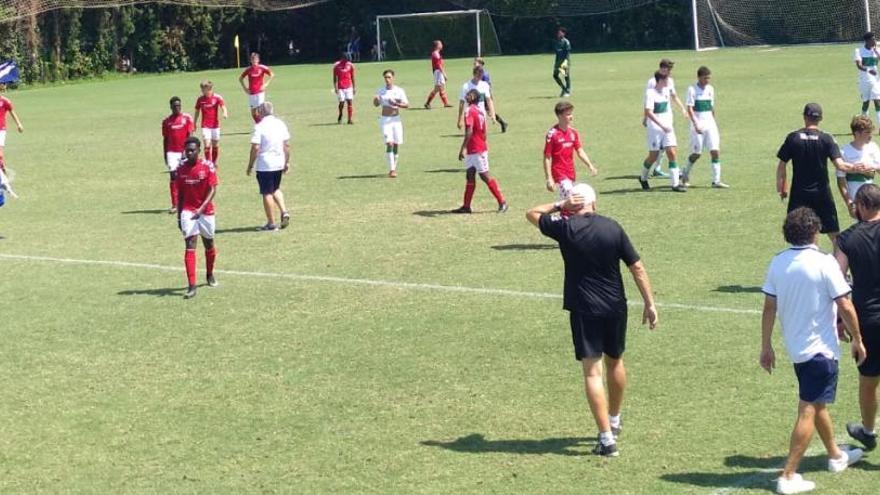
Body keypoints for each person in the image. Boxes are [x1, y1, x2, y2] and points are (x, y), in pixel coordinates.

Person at [526, 183, 658, 457]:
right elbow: (637, 267)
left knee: (592, 372)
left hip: (585, 308)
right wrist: (649, 303)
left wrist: (560, 206)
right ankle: (615, 419)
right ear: (595, 204)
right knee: (616, 362)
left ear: (575, 205)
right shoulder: (613, 227)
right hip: (615, 306)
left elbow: (532, 213)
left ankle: (606, 439)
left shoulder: (565, 228)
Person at [760, 207, 866, 494]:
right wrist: (857, 338)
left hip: (797, 349)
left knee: (817, 403)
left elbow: (770, 306)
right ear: (815, 232)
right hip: (821, 350)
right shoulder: (824, 262)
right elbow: (845, 304)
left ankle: (835, 455)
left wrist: (766, 346)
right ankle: (788, 474)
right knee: (808, 408)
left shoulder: (778, 262)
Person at [776, 103, 867, 245]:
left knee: (798, 234)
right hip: (822, 194)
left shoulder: (793, 138)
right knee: (835, 236)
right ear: (820, 119)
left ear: (805, 117)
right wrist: (856, 168)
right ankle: (842, 264)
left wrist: (782, 188)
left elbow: (782, 166)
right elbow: (840, 165)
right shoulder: (827, 138)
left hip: (799, 194)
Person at [835, 183, 880, 453]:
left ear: (862, 206)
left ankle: (869, 431)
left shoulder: (847, 238)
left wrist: (842, 320)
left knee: (869, 379)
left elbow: (837, 281)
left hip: (867, 319)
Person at [451, 89, 507, 214]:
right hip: (476, 147)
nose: (467, 95)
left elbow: (469, 131)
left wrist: (463, 148)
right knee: (470, 175)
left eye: (470, 94)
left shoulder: (469, 110)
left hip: (476, 148)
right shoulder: (479, 110)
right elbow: (484, 132)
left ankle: (502, 202)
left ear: (474, 97)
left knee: (484, 176)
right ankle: (466, 206)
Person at [176, 137, 218, 300]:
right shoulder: (181, 168)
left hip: (205, 211)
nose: (189, 153)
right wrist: (180, 217)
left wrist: (201, 208)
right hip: (188, 211)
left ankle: (209, 274)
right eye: (187, 150)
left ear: (199, 150)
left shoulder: (207, 166)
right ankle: (192, 285)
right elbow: (180, 194)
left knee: (209, 244)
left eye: (192, 150)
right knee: (190, 244)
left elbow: (213, 189)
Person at [246, 102, 291, 231]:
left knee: (267, 192)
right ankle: (284, 211)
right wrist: (287, 161)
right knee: (276, 188)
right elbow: (286, 145)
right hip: (278, 161)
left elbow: (255, 147)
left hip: (265, 164)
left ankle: (271, 223)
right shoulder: (280, 124)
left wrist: (250, 165)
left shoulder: (259, 126)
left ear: (260, 112)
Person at [683, 66, 728, 188]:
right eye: (705, 78)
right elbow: (690, 108)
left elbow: (711, 107)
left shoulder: (710, 89)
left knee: (715, 151)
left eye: (709, 78)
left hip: (710, 124)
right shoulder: (692, 89)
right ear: (699, 77)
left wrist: (713, 121)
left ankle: (716, 181)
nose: (707, 80)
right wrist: (695, 124)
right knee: (697, 153)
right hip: (698, 125)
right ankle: (684, 173)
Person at [543, 101, 598, 201]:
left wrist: (590, 165)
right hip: (559, 173)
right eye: (568, 114)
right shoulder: (552, 134)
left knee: (565, 201)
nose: (571, 117)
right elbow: (547, 157)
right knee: (571, 197)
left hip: (571, 173)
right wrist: (549, 178)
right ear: (559, 116)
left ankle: (562, 215)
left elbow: (580, 151)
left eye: (571, 114)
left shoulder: (573, 132)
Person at [639, 72, 684, 192]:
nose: (668, 82)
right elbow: (649, 112)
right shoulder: (650, 93)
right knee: (653, 156)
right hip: (655, 128)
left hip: (668, 128)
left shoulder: (666, 91)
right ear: (659, 81)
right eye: (666, 80)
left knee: (672, 152)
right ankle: (643, 178)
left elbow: (672, 100)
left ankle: (675, 184)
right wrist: (661, 125)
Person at [644, 59, 687, 178]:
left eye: (667, 69)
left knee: (667, 145)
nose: (665, 71)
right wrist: (645, 117)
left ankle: (657, 168)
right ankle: (651, 171)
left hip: (667, 118)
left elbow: (674, 96)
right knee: (658, 148)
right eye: (663, 68)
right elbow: (647, 102)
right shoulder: (652, 82)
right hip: (656, 118)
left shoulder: (670, 81)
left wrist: (682, 108)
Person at [835, 116, 880, 218]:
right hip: (857, 202)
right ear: (857, 133)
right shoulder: (844, 151)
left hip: (873, 198)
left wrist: (872, 167)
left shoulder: (873, 147)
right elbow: (840, 180)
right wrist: (849, 202)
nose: (870, 136)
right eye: (867, 133)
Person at [161, 96, 195, 214]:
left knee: (187, 176)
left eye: (179, 105)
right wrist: (165, 154)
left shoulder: (187, 118)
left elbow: (190, 135)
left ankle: (189, 201)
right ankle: (175, 204)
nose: (177, 108)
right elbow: (165, 139)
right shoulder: (166, 121)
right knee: (173, 176)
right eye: (175, 106)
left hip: (184, 151)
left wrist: (188, 152)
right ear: (171, 107)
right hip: (171, 152)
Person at [373, 69, 409, 178]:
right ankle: (392, 169)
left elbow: (406, 104)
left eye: (389, 77)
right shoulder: (381, 90)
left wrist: (396, 103)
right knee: (389, 143)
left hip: (396, 120)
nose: (387, 79)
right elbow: (375, 104)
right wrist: (376, 100)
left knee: (396, 144)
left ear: (393, 78)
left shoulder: (399, 90)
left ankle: (394, 167)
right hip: (385, 119)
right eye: (385, 77)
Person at [193, 80, 227, 165]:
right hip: (205, 126)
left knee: (215, 145)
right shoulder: (200, 99)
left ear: (209, 89)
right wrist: (194, 122)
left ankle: (214, 162)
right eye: (201, 89)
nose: (202, 91)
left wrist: (225, 112)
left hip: (215, 125)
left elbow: (223, 106)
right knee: (207, 145)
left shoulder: (217, 97)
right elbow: (197, 111)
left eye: (203, 89)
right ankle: (208, 163)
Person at [474, 57, 508, 133]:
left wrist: (486, 96)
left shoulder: (484, 74)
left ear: (480, 64)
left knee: (483, 111)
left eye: (475, 63)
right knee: (486, 112)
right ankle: (503, 123)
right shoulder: (477, 72)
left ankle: (502, 123)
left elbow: (487, 86)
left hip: (484, 95)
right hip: (480, 94)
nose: (474, 64)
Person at [238, 52, 274, 123]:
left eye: (255, 59)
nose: (254, 61)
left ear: (258, 60)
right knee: (253, 111)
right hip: (251, 93)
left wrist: (266, 84)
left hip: (260, 93)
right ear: (250, 61)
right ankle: (258, 123)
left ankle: (263, 124)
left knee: (260, 109)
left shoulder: (262, 68)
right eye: (252, 59)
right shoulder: (248, 69)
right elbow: (240, 79)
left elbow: (272, 75)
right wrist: (245, 88)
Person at [457, 66, 496, 131]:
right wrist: (459, 119)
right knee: (471, 136)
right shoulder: (466, 86)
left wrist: (493, 114)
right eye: (478, 74)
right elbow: (461, 103)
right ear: (474, 74)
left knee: (483, 137)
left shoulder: (485, 85)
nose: (480, 76)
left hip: (481, 116)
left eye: (481, 74)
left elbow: (489, 100)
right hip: (470, 116)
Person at [855, 32, 880, 125]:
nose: (875, 41)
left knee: (877, 100)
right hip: (864, 79)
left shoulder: (877, 50)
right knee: (866, 102)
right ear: (867, 41)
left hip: (876, 79)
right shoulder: (859, 51)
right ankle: (862, 122)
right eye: (873, 39)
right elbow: (859, 65)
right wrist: (868, 70)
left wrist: (877, 52)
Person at [0, 83, 24, 175]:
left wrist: (19, 124)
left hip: (1, 130)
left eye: (4, 84)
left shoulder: (5, 101)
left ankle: (2, 170)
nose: (4, 85)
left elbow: (12, 112)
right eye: (3, 83)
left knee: (0, 154)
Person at [424, 40, 451, 109]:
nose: (442, 45)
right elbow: (439, 65)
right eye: (440, 44)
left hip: (438, 72)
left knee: (441, 88)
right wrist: (444, 74)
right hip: (438, 72)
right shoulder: (435, 54)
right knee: (437, 89)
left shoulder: (436, 53)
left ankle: (446, 103)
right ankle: (427, 103)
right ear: (437, 46)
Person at [332, 51, 356, 125]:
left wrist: (354, 87)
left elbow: (352, 77)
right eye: (346, 59)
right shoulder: (337, 66)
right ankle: (340, 114)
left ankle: (349, 119)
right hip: (340, 87)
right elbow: (335, 78)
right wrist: (335, 87)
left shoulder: (350, 65)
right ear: (342, 58)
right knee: (342, 102)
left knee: (350, 102)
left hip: (349, 86)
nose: (347, 61)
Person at [552, 28, 571, 97]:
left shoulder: (566, 42)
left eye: (560, 33)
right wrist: (556, 63)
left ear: (563, 33)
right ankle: (563, 88)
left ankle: (568, 91)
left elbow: (567, 53)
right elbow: (557, 53)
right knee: (555, 76)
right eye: (558, 33)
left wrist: (565, 62)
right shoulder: (557, 42)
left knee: (566, 76)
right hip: (558, 62)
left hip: (564, 62)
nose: (558, 34)